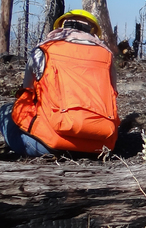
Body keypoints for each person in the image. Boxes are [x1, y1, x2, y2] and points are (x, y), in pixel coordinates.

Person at [0, 10, 120, 156]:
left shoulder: (44, 50)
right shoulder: (107, 56)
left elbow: (27, 91)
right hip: (100, 147)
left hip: (48, 146)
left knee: (5, 111)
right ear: (93, 31)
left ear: (62, 26)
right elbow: (112, 93)